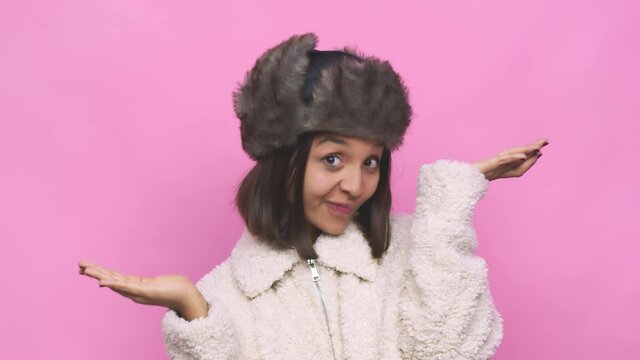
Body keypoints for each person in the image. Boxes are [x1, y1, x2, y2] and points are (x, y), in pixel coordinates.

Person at [79, 32, 548, 359]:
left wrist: (447, 209)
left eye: (371, 161)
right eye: (332, 159)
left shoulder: (414, 254)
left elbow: (449, 353)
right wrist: (194, 313)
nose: (355, 184)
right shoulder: (226, 295)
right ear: (286, 159)